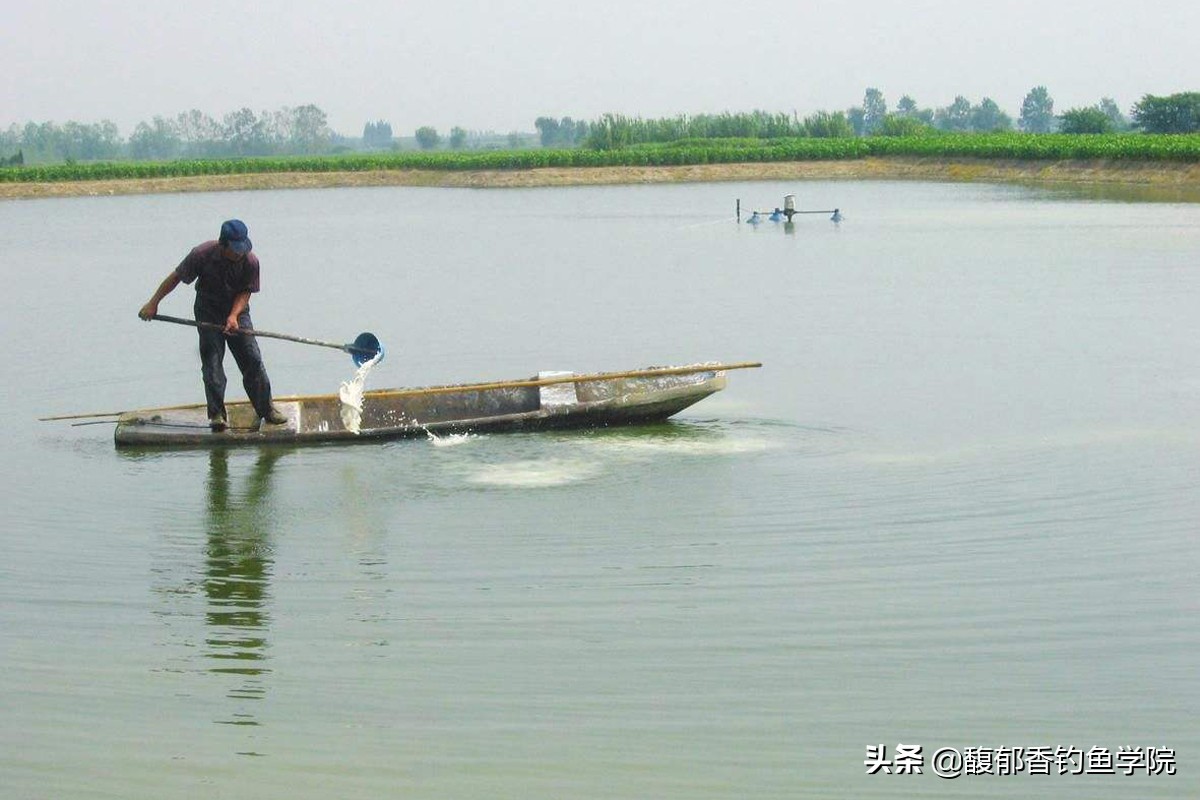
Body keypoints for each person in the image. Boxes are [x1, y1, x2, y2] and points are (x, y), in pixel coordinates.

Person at [138, 219, 286, 431]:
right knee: (212, 362)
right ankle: (217, 414)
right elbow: (176, 278)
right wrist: (153, 303)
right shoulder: (201, 254)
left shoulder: (251, 261)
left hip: (238, 312)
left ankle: (266, 409)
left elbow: (246, 292)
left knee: (252, 359)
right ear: (222, 244)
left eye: (243, 249)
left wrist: (234, 316)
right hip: (207, 310)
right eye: (235, 250)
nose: (239, 254)